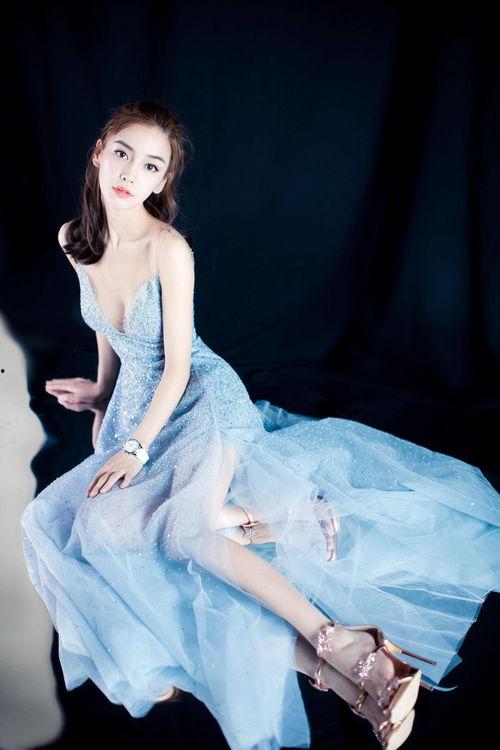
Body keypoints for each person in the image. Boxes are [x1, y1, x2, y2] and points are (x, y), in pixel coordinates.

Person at [21, 100, 500, 750]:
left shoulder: (168, 249)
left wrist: (134, 448)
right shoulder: (73, 238)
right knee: (90, 532)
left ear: (163, 181)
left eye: (152, 165)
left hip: (198, 401)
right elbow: (108, 333)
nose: (132, 173)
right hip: (135, 406)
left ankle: (355, 650)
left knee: (184, 535)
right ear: (100, 151)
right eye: (124, 153)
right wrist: (101, 393)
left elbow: (178, 367)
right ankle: (342, 669)